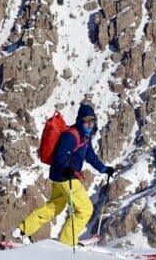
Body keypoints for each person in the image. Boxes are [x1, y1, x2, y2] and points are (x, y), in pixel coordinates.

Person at [15, 104, 117, 246]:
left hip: (59, 176)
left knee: (53, 207)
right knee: (85, 209)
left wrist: (104, 169)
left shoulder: (85, 137)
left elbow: (90, 155)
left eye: (92, 121)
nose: (90, 124)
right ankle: (68, 241)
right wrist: (67, 168)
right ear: (81, 120)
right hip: (65, 177)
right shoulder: (71, 135)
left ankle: (22, 230)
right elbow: (60, 155)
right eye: (87, 121)